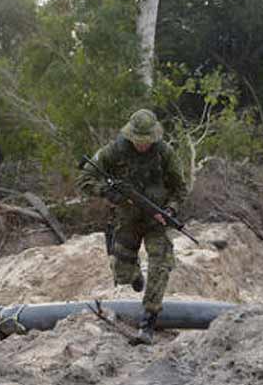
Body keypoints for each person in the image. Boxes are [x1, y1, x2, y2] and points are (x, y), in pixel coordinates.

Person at [78, 109, 188, 345]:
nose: (142, 145)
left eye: (146, 141)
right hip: (126, 219)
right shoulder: (113, 151)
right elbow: (85, 179)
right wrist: (108, 192)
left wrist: (170, 210)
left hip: (156, 220)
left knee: (161, 264)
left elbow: (180, 189)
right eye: (138, 140)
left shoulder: (165, 154)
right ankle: (135, 274)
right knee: (122, 272)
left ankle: (148, 321)